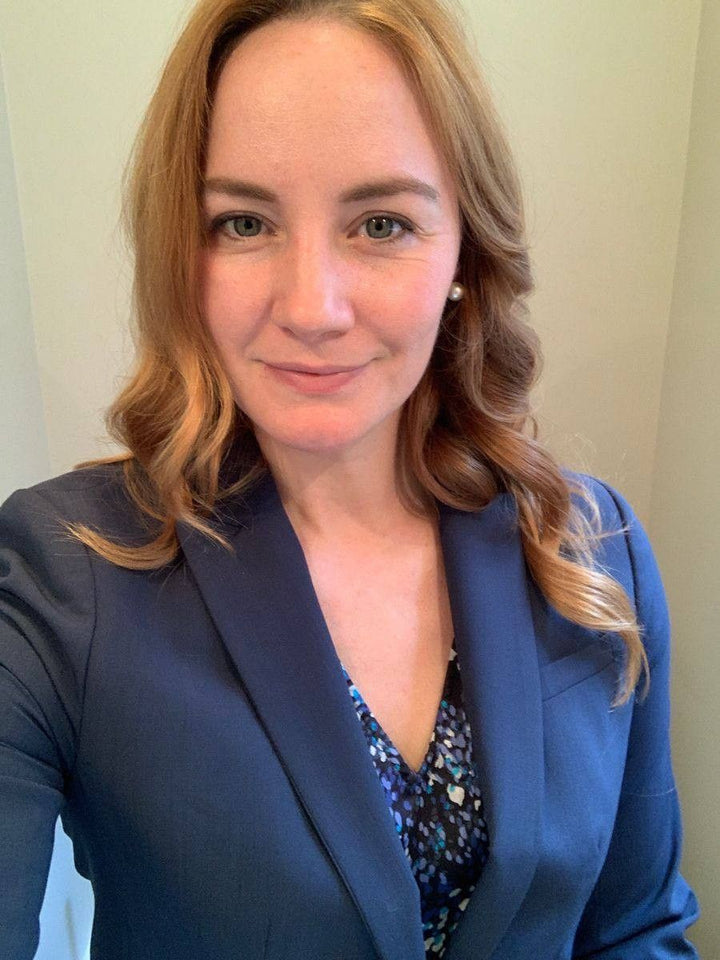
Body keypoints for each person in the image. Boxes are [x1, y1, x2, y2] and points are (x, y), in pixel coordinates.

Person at [0, 0, 700, 957]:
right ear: (182, 252)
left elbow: (637, 926)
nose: (313, 308)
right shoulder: (61, 579)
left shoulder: (593, 551)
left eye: (380, 223)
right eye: (244, 222)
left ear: (463, 250)